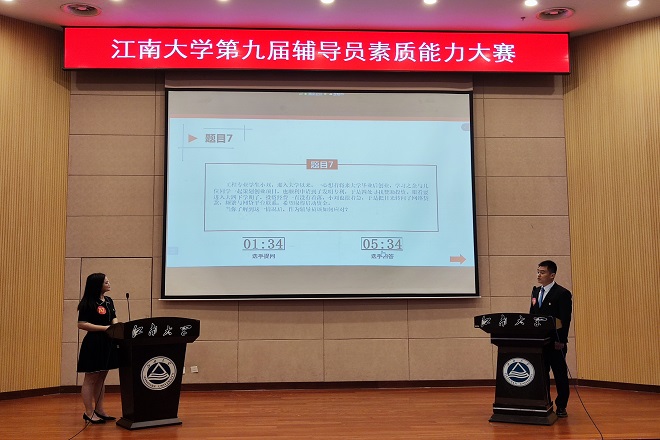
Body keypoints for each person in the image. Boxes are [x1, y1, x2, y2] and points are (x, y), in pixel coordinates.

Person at [529, 260, 572, 418]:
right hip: (540, 342)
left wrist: (561, 340)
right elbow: (532, 316)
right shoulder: (536, 292)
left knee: (560, 375)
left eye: (542, 272)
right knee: (542, 374)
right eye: (538, 271)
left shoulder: (562, 293)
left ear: (552, 275)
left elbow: (565, 319)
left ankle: (561, 405)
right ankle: (545, 402)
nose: (538, 275)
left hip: (556, 342)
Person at [76, 273, 119, 424]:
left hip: (108, 342)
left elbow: (113, 316)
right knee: (91, 378)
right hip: (94, 342)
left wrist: (116, 326)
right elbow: (81, 324)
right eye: (106, 282)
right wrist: (105, 328)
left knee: (101, 377)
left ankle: (100, 410)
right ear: (97, 285)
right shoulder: (88, 303)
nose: (109, 283)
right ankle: (88, 412)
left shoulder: (109, 300)